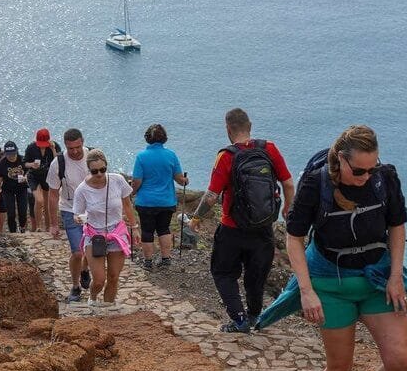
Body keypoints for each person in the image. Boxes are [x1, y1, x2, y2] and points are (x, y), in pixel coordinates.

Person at [283, 125, 407, 371]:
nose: (365, 176)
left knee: (400, 361)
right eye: (358, 170)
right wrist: (307, 291)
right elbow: (294, 237)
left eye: (371, 168)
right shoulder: (317, 183)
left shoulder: (384, 179)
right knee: (340, 365)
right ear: (341, 160)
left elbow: (397, 225)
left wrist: (396, 276)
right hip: (331, 281)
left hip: (376, 278)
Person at [191, 108, 294, 333]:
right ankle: (255, 316)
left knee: (223, 273)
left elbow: (211, 195)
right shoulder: (269, 149)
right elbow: (287, 183)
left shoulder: (226, 156)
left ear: (228, 129)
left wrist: (196, 218)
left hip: (232, 229)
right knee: (256, 275)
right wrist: (287, 207)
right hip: (263, 227)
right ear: (250, 126)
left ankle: (239, 319)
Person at [72, 149, 137, 307]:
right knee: (99, 280)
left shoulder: (117, 180)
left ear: (106, 166)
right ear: (89, 170)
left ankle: (108, 308)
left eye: (103, 169)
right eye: (95, 171)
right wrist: (78, 219)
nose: (100, 174)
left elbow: (127, 205)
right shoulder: (82, 189)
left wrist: (134, 227)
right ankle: (93, 299)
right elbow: (77, 213)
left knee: (114, 276)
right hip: (94, 235)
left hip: (116, 232)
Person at [132, 123, 189, 271]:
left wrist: (132, 192)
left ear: (147, 138)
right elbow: (179, 179)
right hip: (166, 201)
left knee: (147, 231)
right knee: (164, 229)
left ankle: (148, 262)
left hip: (146, 201)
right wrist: (185, 180)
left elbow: (137, 180)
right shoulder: (171, 155)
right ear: (164, 138)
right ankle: (165, 259)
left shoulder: (141, 157)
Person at [47, 128, 93, 302]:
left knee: (91, 249)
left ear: (83, 142)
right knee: (77, 252)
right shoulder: (58, 163)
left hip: (93, 210)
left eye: (78, 147)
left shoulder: (93, 156)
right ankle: (75, 287)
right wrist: (53, 223)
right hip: (70, 209)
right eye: (70, 148)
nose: (74, 151)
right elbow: (52, 194)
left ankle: (85, 269)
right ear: (65, 145)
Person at [0, 141, 31, 233]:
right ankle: (13, 232)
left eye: (13, 154)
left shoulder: (23, 160)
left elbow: (30, 173)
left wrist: (26, 177)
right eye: (9, 154)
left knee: (22, 211)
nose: (11, 156)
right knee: (11, 213)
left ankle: (22, 228)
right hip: (8, 190)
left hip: (21, 188)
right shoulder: (1, 163)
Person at [26, 128, 57, 232]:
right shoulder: (31, 147)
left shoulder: (53, 146)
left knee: (48, 203)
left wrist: (53, 149)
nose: (43, 146)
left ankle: (48, 227)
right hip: (33, 176)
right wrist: (31, 165)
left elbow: (57, 162)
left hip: (47, 176)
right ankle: (38, 226)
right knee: (39, 200)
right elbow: (24, 163)